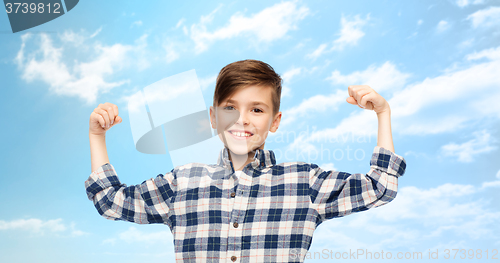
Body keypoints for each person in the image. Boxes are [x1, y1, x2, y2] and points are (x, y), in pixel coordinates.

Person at [86, 59, 406, 263]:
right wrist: (97, 136)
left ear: (275, 121)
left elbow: (379, 188)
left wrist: (382, 113)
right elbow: (112, 201)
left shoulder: (303, 183)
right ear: (213, 117)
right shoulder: (183, 182)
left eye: (256, 109)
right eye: (230, 108)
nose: (242, 120)